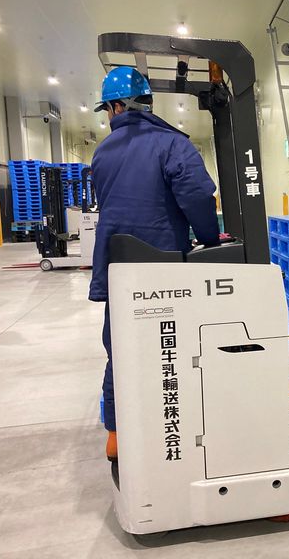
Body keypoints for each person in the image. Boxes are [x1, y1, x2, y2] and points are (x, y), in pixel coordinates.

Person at [89, 66, 220, 461]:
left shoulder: (102, 152)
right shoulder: (172, 144)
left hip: (118, 267)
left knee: (120, 348)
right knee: (173, 346)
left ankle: (117, 434)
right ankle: (175, 425)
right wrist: (210, 240)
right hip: (164, 267)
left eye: (106, 110)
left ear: (116, 107)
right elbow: (197, 196)